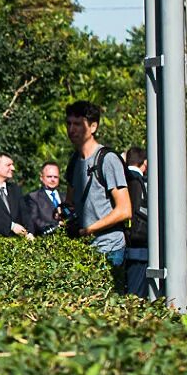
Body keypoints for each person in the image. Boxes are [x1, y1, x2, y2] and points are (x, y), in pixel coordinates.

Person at [63, 100, 134, 290]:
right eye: (68, 124)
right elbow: (70, 202)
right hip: (82, 248)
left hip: (110, 248)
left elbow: (125, 210)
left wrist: (89, 229)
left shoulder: (107, 159)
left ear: (93, 126)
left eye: (78, 124)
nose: (71, 129)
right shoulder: (74, 161)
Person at [121, 146, 151, 297]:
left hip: (120, 243)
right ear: (144, 163)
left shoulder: (121, 179)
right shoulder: (142, 183)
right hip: (139, 246)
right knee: (136, 296)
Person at [22, 162, 68, 236]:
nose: (53, 180)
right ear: (41, 177)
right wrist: (57, 225)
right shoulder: (33, 197)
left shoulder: (66, 197)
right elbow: (34, 220)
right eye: (49, 176)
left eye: (55, 177)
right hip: (46, 239)